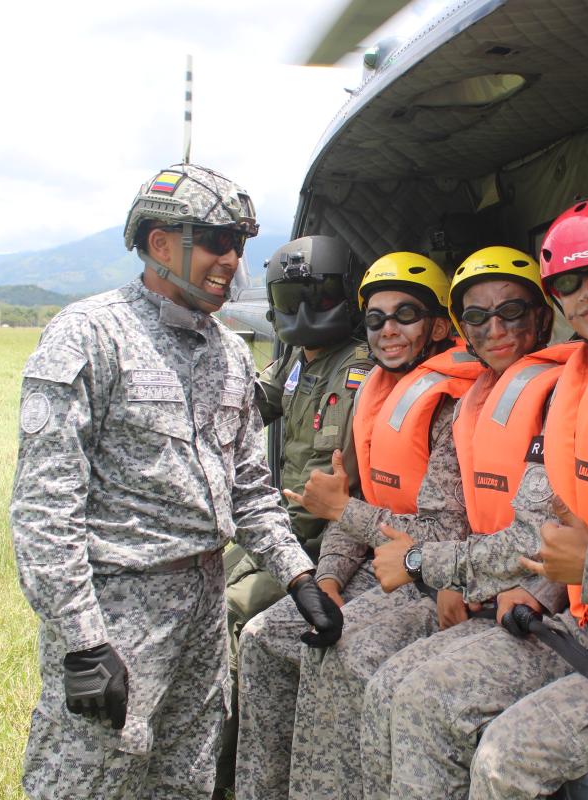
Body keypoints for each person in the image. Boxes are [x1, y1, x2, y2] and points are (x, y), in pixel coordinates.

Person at [9, 163, 341, 800]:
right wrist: (82, 642)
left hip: (203, 609)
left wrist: (298, 577)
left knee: (187, 777)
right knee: (89, 779)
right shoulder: (89, 335)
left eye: (238, 245)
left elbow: (246, 482)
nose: (231, 260)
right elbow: (45, 509)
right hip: (118, 616)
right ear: (161, 244)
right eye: (215, 241)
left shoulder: (228, 351)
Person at [371, 198, 588, 799]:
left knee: (503, 755)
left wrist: (428, 564)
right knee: (403, 692)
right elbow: (543, 526)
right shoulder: (576, 382)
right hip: (582, 619)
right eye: (571, 282)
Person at [289, 246, 572, 800]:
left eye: (511, 311)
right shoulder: (471, 401)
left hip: (517, 598)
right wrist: (329, 575)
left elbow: (556, 528)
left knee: (379, 674)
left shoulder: (551, 395)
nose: (495, 328)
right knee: (306, 646)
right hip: (460, 579)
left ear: (542, 314)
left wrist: (445, 576)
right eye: (479, 316)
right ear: (461, 328)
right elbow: (429, 512)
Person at [233, 251, 477, 800]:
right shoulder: (379, 395)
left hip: (434, 579)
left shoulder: (455, 405)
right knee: (263, 638)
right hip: (378, 569)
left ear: (439, 326)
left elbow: (441, 535)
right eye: (376, 319)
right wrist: (328, 581)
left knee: (334, 654)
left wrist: (344, 512)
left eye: (406, 315)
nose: (388, 329)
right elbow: (357, 499)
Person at [216, 234, 374, 794]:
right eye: (288, 298)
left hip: (324, 544)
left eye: (318, 293)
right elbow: (245, 410)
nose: (303, 312)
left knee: (238, 613)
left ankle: (225, 773)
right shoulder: (295, 363)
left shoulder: (361, 368)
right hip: (275, 531)